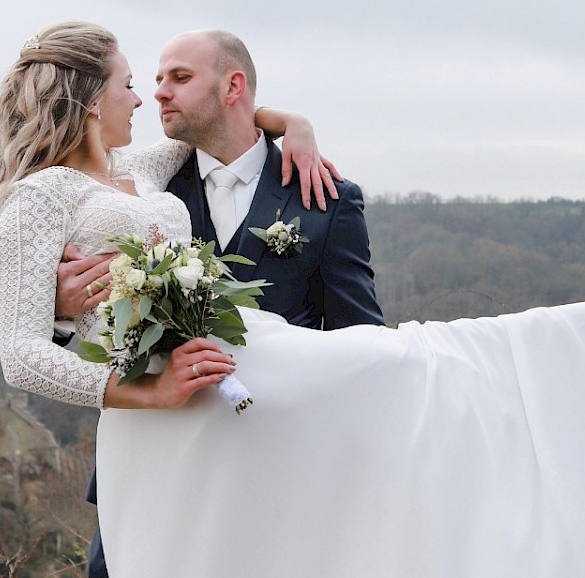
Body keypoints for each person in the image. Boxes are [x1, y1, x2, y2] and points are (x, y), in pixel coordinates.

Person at [0, 21, 585, 577]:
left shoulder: (137, 169)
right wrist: (138, 381)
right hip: (176, 415)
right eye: (130, 85)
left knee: (434, 372)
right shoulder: (38, 197)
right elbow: (21, 352)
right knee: (429, 368)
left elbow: (234, 119)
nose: (144, 99)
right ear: (85, 95)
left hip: (259, 369)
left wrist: (297, 125)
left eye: (157, 83)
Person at [50, 29, 387, 576]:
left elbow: (359, 341)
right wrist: (63, 308)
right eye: (155, 79)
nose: (158, 92)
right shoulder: (136, 194)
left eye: (179, 78)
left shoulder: (325, 198)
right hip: (151, 459)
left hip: (272, 470)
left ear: (233, 86)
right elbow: (74, 333)